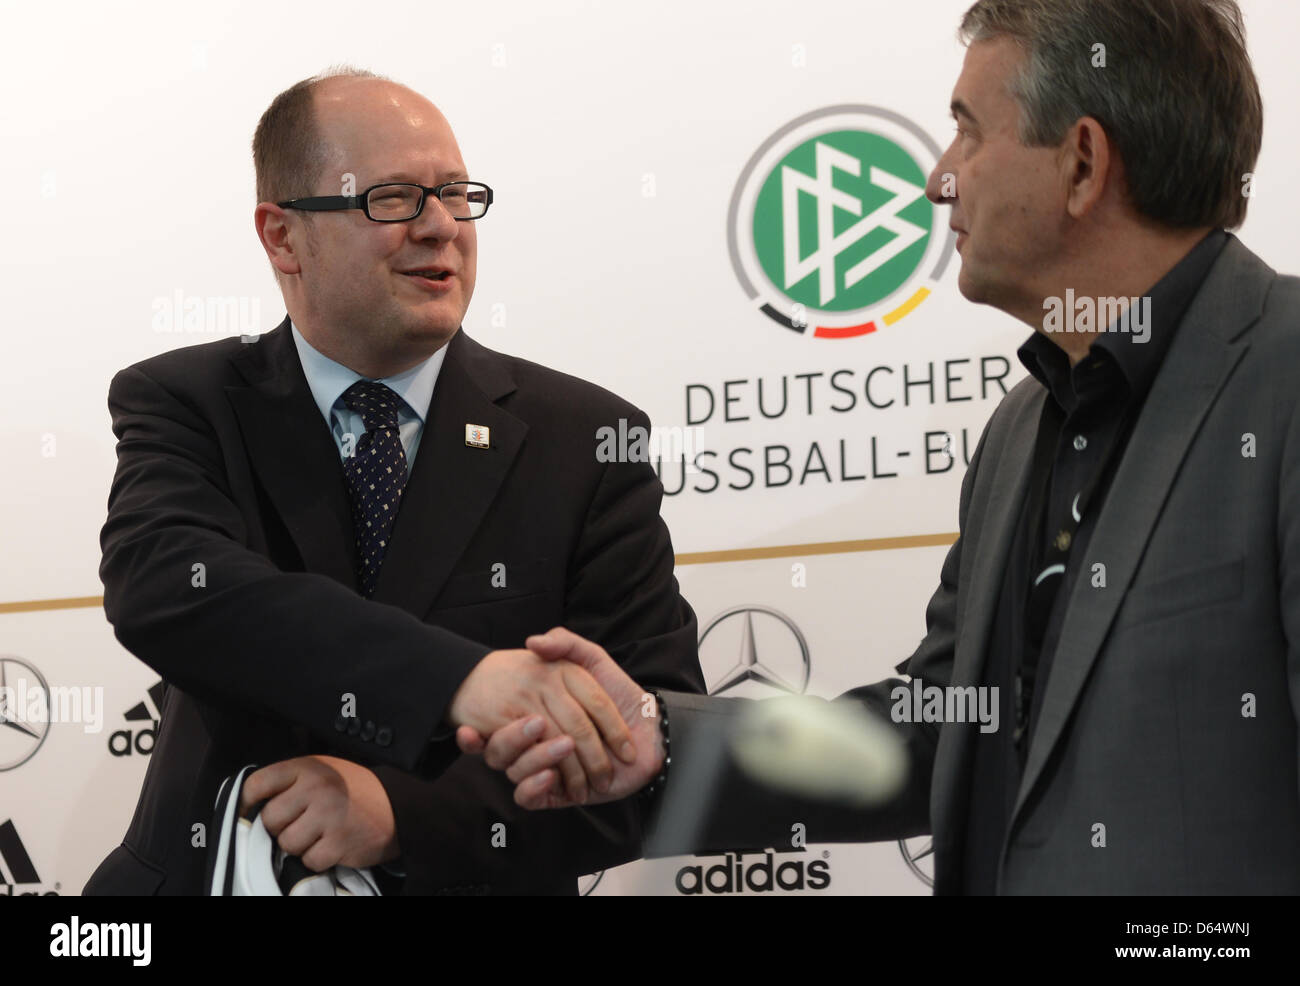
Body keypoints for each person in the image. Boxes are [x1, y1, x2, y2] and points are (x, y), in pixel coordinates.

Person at [472, 0, 1300, 894]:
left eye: (968, 135)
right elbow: (938, 728)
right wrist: (663, 737)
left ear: (1084, 163)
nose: (939, 181)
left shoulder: (1284, 377)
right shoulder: (1021, 428)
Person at [83, 67, 703, 896]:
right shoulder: (185, 401)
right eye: (394, 199)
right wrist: (462, 682)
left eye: (455, 193)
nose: (442, 226)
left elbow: (647, 750)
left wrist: (404, 813)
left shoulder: (587, 439)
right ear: (282, 236)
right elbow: (168, 589)